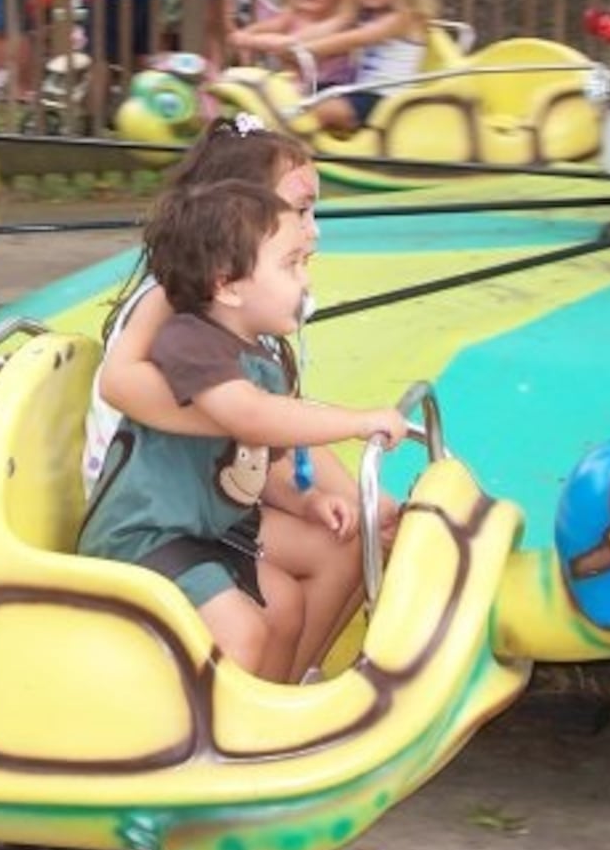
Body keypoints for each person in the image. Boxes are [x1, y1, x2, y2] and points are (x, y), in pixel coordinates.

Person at [84, 117, 400, 682]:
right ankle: (236, 724)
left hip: (210, 497)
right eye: (297, 212)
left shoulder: (246, 322)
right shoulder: (180, 313)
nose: (312, 233)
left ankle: (279, 702)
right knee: (261, 613)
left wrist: (327, 497)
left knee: (334, 552)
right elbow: (247, 417)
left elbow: (269, 441)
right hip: (154, 513)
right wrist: (352, 423)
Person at [243, 0, 436, 134]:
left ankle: (299, 152)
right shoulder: (369, 13)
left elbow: (355, 38)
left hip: (385, 99)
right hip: (359, 90)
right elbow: (336, 25)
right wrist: (298, 42)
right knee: (300, 93)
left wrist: (306, 49)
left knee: (313, 109)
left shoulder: (402, 18)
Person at [228, 0, 359, 105]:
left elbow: (292, 43)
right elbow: (273, 25)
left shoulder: (337, 23)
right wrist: (248, 32)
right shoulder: (294, 14)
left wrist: (249, 40)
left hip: (331, 88)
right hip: (298, 84)